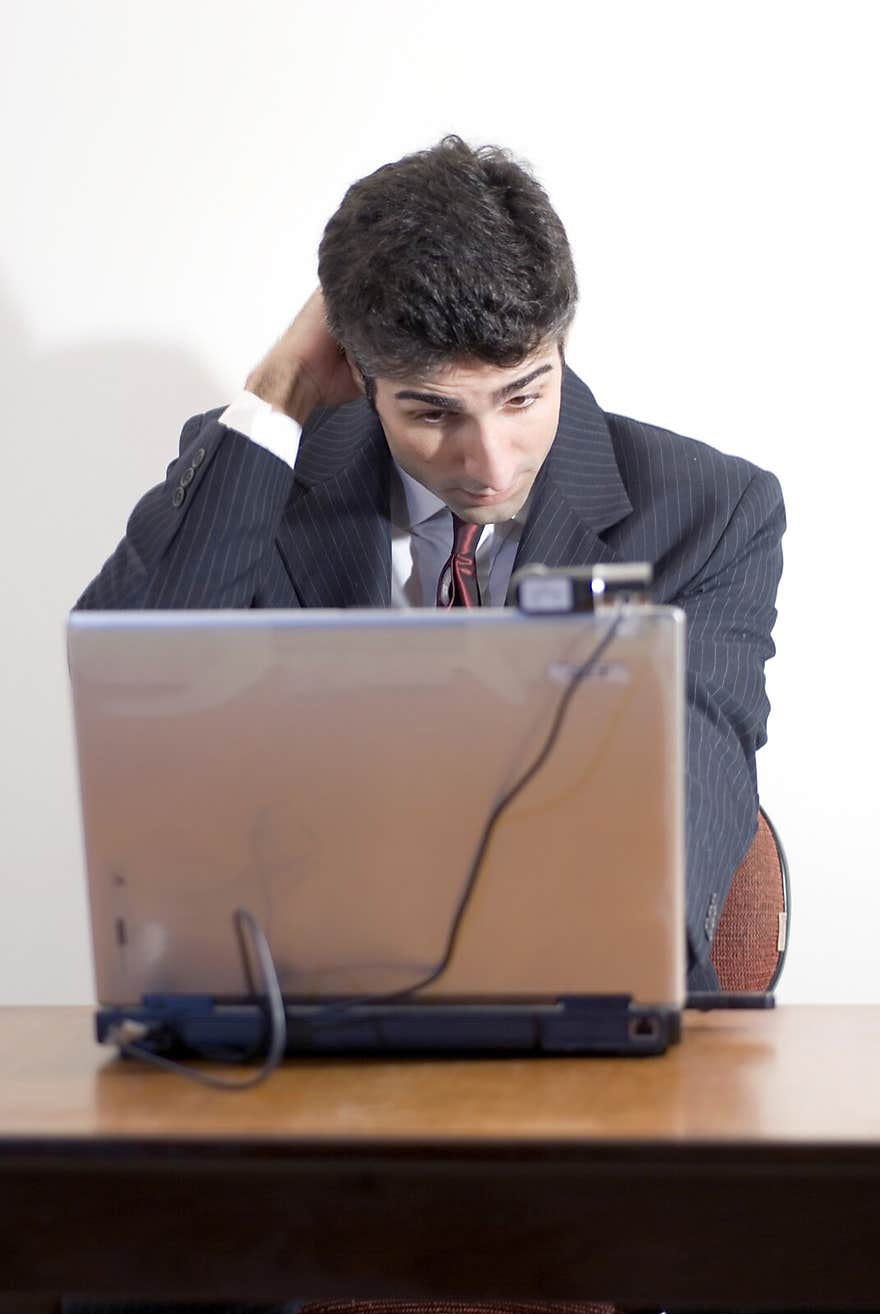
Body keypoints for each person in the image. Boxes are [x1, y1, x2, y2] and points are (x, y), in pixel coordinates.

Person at [75, 134, 785, 992]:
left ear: (563, 344)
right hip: (297, 1019)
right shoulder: (259, 481)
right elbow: (133, 715)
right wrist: (278, 394)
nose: (489, 462)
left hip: (590, 1015)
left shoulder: (708, 515)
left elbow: (672, 859)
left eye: (524, 395)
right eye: (432, 413)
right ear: (362, 378)